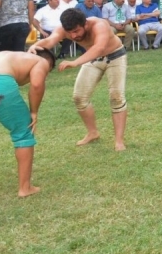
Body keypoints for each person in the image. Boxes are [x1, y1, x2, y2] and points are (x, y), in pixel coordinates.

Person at [29, 9, 130, 151]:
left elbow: (99, 48)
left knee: (116, 97)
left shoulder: (99, 25)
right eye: (69, 33)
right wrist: (35, 46)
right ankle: (93, 132)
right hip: (93, 59)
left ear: (85, 24)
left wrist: (75, 62)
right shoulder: (65, 29)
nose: (73, 36)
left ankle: (119, 140)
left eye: (76, 31)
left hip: (115, 56)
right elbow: (51, 40)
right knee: (79, 98)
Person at [0, 49, 55, 197]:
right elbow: (37, 84)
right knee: (23, 132)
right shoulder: (42, 61)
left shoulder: (4, 56)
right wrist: (33, 112)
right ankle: (25, 188)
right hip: (0, 86)